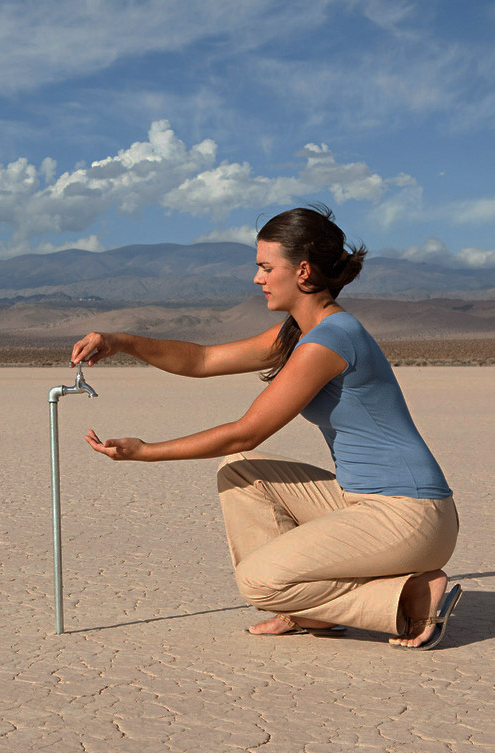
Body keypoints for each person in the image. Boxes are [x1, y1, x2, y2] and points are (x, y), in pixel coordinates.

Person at [70, 204, 461, 649]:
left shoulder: (329, 341)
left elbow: (247, 430)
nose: (257, 279)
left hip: (408, 515)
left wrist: (145, 451)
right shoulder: (299, 333)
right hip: (364, 503)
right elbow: (202, 360)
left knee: (257, 583)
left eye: (265, 267)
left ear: (304, 272)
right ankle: (305, 609)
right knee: (241, 470)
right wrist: (119, 340)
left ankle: (410, 598)